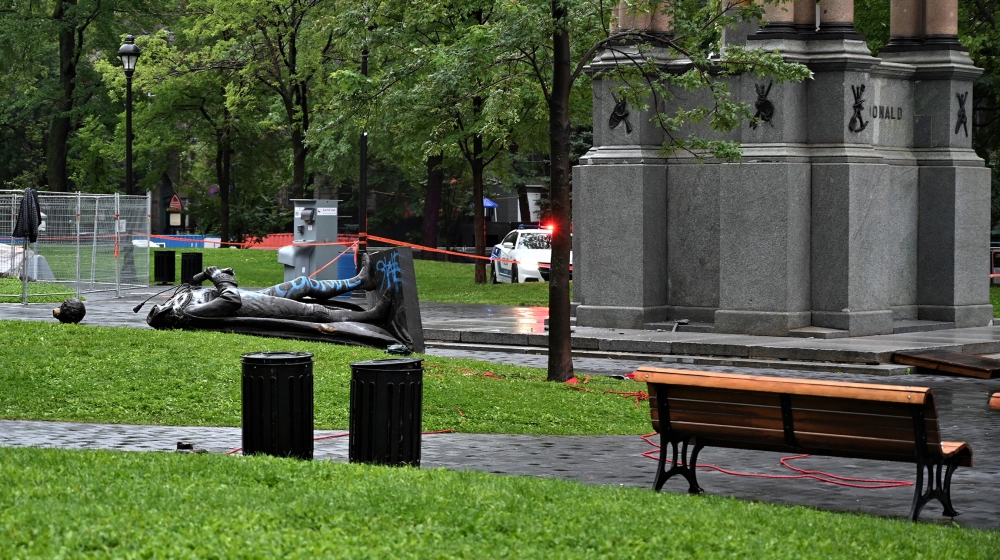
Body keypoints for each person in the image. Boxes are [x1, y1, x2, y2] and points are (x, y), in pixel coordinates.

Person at [146, 252, 402, 347]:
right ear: (167, 317)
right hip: (256, 307)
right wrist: (220, 278)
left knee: (303, 284)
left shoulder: (183, 301)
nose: (158, 306)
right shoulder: (188, 313)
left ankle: (361, 281)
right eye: (158, 310)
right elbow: (230, 300)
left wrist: (214, 278)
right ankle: (373, 316)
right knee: (314, 312)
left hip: (256, 296)